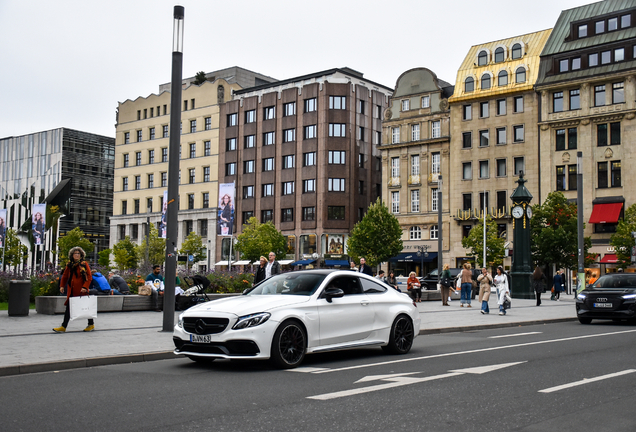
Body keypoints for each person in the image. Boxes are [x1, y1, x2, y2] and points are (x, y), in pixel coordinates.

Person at [53, 247, 95, 333]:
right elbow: (65, 276)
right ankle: (63, 326)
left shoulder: (84, 264)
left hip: (81, 290)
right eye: (75, 253)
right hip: (71, 290)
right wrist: (62, 286)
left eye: (78, 253)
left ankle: (91, 324)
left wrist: (85, 287)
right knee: (69, 308)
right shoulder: (69, 264)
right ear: (72, 255)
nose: (77, 255)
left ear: (81, 255)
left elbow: (89, 277)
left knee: (86, 307)